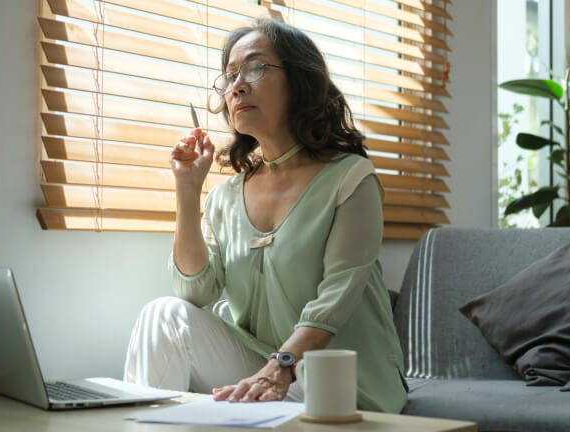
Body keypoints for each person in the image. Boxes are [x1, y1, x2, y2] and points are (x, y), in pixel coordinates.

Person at [124, 18, 407, 413]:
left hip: (337, 375)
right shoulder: (226, 196)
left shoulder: (350, 178)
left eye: (255, 68)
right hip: (261, 362)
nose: (237, 85)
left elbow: (335, 299)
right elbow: (195, 293)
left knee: (253, 406)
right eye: (230, 76)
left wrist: (281, 366)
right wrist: (187, 192)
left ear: (299, 80)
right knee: (164, 314)